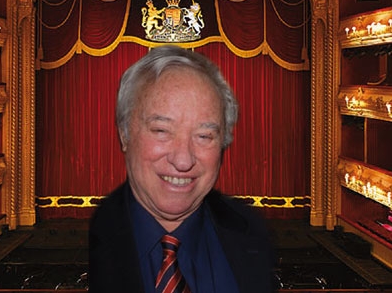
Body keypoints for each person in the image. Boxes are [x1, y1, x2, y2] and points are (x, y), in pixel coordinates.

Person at [89, 45, 274, 292]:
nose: (183, 161)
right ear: (124, 133)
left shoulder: (254, 239)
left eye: (204, 136)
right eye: (161, 131)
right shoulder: (90, 244)